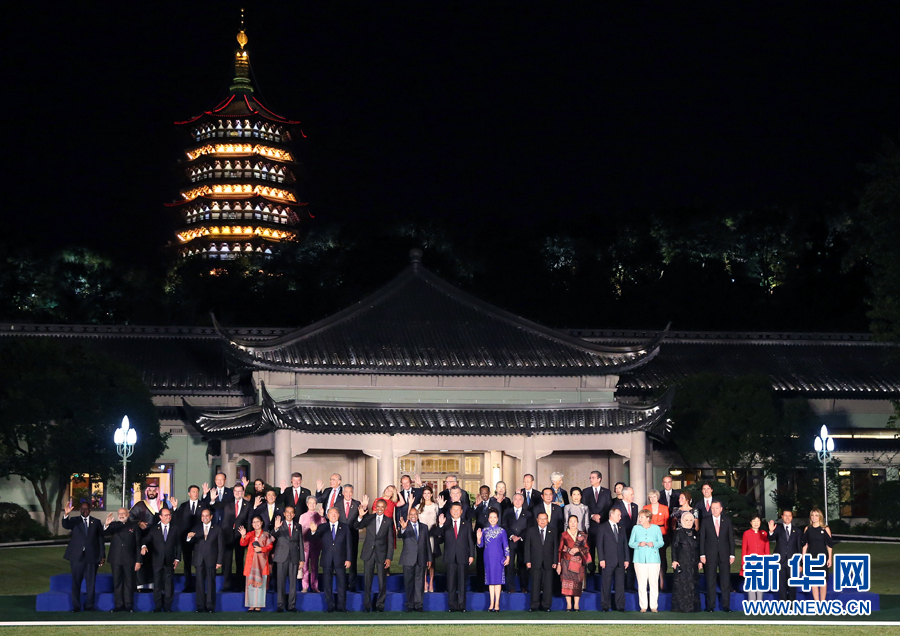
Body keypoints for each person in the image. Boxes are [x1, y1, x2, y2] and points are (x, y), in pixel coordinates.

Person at [62, 500, 105, 612]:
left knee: (91, 583)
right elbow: (65, 525)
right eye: (82, 509)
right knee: (76, 582)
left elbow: (100, 540)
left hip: (92, 557)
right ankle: (76, 606)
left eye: (86, 509)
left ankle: (89, 606)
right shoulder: (74, 521)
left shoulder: (96, 522)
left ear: (90, 510)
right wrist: (66, 514)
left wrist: (102, 556)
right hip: (77, 557)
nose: (84, 511)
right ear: (80, 510)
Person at [431, 502, 475, 612]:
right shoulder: (446, 523)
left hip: (463, 556)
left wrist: (471, 555)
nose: (455, 512)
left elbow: (471, 540)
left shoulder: (467, 524)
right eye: (453, 509)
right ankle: (452, 606)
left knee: (462, 583)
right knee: (450, 583)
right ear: (450, 511)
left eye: (458, 510)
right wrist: (440, 525)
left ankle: (461, 606)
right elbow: (439, 539)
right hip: (450, 556)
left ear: (461, 511)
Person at [309, 507, 353, 612]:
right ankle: (330, 606)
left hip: (341, 559)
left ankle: (341, 607)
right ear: (327, 516)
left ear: (338, 515)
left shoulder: (345, 527)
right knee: (327, 584)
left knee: (342, 584)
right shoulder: (322, 527)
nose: (333, 515)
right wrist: (313, 531)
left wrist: (348, 559)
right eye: (331, 513)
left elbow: (349, 545)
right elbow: (315, 539)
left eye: (335, 513)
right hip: (327, 559)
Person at [103, 508, 146, 613]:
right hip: (116, 558)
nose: (121, 515)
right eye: (119, 513)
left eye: (123, 513)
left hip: (129, 559)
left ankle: (128, 606)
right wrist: (106, 525)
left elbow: (138, 544)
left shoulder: (134, 526)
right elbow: (105, 533)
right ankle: (118, 605)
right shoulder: (113, 525)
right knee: (117, 582)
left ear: (128, 514)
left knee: (129, 583)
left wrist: (138, 561)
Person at [139, 506, 181, 613]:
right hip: (157, 561)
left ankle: (167, 607)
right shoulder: (154, 529)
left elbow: (178, 544)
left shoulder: (175, 528)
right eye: (166, 515)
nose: (168, 517)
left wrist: (177, 558)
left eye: (169, 515)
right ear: (160, 517)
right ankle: (157, 606)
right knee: (157, 584)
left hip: (170, 561)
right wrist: (143, 546)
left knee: (168, 585)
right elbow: (145, 539)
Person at [357, 498, 395, 612]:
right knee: (367, 580)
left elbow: (390, 541)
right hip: (368, 553)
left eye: (382, 507)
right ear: (375, 507)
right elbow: (357, 526)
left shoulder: (388, 521)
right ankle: (367, 605)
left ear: (385, 508)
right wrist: (360, 517)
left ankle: (380, 605)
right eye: (378, 507)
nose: (379, 509)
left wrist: (389, 558)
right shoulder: (369, 518)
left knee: (382, 581)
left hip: (381, 555)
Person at [699, 500, 734, 612]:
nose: (714, 510)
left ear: (721, 509)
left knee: (725, 580)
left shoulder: (727, 521)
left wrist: (732, 554)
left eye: (717, 508)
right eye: (712, 508)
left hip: (724, 554)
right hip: (710, 555)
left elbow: (731, 539)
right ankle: (710, 606)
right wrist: (702, 554)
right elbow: (702, 539)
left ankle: (726, 606)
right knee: (710, 580)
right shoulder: (705, 521)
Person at [187, 508, 224, 613]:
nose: (205, 517)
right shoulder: (196, 528)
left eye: (206, 515)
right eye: (203, 516)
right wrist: (189, 537)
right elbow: (190, 543)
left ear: (211, 516)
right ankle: (200, 606)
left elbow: (221, 546)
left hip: (212, 560)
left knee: (211, 584)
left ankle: (210, 607)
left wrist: (219, 561)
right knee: (199, 583)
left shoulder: (217, 528)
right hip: (199, 560)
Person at [398, 507, 432, 612]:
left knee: (419, 583)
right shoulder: (405, 526)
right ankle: (409, 605)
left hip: (421, 559)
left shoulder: (424, 527)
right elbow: (400, 535)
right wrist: (402, 529)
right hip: (408, 559)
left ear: (418, 515)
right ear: (408, 516)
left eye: (415, 514)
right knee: (409, 583)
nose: (413, 516)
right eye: (411, 514)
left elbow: (427, 544)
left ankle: (418, 605)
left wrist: (429, 558)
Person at [629, 509, 663, 613]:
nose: (640, 519)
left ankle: (653, 606)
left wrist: (654, 544)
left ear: (648, 518)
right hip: (639, 560)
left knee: (653, 583)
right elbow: (631, 543)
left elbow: (661, 542)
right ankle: (643, 606)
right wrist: (639, 544)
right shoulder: (635, 528)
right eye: (639, 517)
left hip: (653, 559)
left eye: (642, 517)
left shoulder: (656, 528)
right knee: (642, 584)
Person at [272, 505, 304, 612]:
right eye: (287, 512)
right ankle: (280, 605)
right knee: (280, 582)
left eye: (292, 512)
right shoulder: (279, 524)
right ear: (284, 514)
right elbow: (272, 536)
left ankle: (291, 606)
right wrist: (276, 528)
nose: (289, 514)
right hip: (281, 556)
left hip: (294, 557)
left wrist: (302, 559)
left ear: (294, 514)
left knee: (293, 582)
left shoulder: (298, 526)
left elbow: (301, 543)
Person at [477, 508, 510, 612]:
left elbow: (505, 544)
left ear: (498, 518)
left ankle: (497, 603)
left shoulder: (502, 531)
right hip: (488, 557)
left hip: (499, 557)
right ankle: (491, 603)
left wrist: (508, 556)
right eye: (491, 517)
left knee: (498, 581)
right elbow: (480, 545)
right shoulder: (484, 530)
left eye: (494, 517)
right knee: (490, 581)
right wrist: (478, 538)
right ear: (488, 518)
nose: (492, 519)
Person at [239, 515, 274, 611]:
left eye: (258, 521)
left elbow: (270, 547)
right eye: (254, 522)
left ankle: (258, 605)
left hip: (262, 564)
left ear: (262, 522)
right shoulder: (250, 534)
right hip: (251, 564)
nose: (256, 524)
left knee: (260, 585)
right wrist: (243, 535)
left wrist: (261, 549)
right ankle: (251, 605)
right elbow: (242, 543)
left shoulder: (267, 534)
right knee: (250, 585)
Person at [597, 507, 629, 612]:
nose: (620, 517)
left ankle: (620, 606)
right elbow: (600, 545)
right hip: (607, 560)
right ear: (612, 515)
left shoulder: (621, 528)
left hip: (620, 561)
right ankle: (605, 606)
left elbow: (625, 545)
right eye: (618, 515)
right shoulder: (602, 527)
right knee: (606, 584)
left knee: (620, 584)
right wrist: (601, 559)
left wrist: (626, 559)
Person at [524, 511, 558, 612]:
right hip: (535, 562)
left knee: (548, 585)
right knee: (535, 584)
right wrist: (527, 560)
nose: (543, 521)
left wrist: (555, 561)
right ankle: (534, 605)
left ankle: (546, 605)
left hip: (549, 562)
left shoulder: (553, 531)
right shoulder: (531, 531)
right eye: (540, 519)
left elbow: (555, 547)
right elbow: (527, 547)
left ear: (548, 520)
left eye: (545, 519)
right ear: (537, 520)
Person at [222, 482, 251, 591]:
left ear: (243, 492)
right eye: (236, 491)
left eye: (240, 491)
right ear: (233, 492)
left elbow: (248, 521)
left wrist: (246, 535)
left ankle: (240, 585)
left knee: (240, 560)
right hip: (227, 535)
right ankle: (227, 585)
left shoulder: (247, 505)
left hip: (241, 536)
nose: (238, 493)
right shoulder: (227, 503)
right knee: (227, 561)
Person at [558, 514, 590, 611]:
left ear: (577, 523)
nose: (572, 523)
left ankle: (576, 604)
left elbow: (587, 548)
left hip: (578, 563)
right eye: (570, 521)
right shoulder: (564, 534)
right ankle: (568, 605)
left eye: (574, 521)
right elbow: (560, 549)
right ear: (568, 523)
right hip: (566, 561)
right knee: (566, 583)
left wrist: (578, 549)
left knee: (577, 583)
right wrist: (558, 563)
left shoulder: (582, 535)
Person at [176, 485, 205, 592]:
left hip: (200, 539)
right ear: (189, 493)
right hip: (186, 539)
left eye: (197, 492)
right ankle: (188, 585)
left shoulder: (203, 505)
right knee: (187, 563)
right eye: (193, 491)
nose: (196, 493)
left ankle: (200, 585)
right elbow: (178, 521)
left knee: (199, 563)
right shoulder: (183, 506)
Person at [768, 509, 802, 601]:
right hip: (780, 561)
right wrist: (771, 531)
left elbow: (799, 547)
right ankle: (783, 603)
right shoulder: (778, 528)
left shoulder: (797, 531)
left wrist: (800, 563)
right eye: (785, 515)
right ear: (782, 516)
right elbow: (771, 538)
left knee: (792, 584)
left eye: (789, 515)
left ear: (792, 517)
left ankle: (792, 603)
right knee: (781, 584)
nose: (787, 517)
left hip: (793, 561)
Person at [671, 511, 701, 612]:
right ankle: (681, 607)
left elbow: (698, 548)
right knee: (681, 584)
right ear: (682, 521)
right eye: (686, 520)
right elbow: (674, 548)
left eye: (691, 520)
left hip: (693, 563)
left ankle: (692, 607)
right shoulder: (678, 533)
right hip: (682, 562)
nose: (689, 522)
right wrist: (674, 560)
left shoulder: (696, 533)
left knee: (693, 584)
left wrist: (699, 561)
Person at [801, 507, 833, 602]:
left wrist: (830, 558)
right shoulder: (808, 529)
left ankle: (822, 601)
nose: (814, 517)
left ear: (820, 517)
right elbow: (804, 545)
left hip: (822, 557)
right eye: (812, 515)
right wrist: (803, 557)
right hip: (811, 558)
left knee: (823, 581)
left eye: (816, 515)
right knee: (813, 580)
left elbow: (829, 545)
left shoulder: (825, 528)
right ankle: (816, 602)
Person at [501, 493, 531, 593]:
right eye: (516, 499)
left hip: (523, 542)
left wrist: (520, 536)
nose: (518, 501)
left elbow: (529, 528)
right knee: (509, 565)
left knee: (522, 564)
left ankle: (524, 587)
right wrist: (512, 535)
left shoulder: (528, 513)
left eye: (520, 499)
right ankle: (511, 587)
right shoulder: (507, 512)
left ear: (523, 502)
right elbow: (504, 525)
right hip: (510, 541)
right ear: (513, 501)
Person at [583, 470, 612, 573]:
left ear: (599, 479)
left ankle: (601, 569)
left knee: (602, 548)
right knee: (590, 548)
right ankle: (591, 569)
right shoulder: (586, 491)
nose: (591, 479)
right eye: (590, 477)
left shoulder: (607, 492)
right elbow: (584, 506)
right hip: (590, 525)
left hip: (602, 523)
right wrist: (592, 516)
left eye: (593, 477)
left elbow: (609, 507)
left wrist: (600, 516)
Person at [335, 484, 361, 591]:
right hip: (340, 537)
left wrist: (361, 516)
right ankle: (341, 585)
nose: (348, 494)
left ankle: (352, 585)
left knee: (352, 560)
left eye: (350, 492)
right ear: (343, 493)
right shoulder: (337, 504)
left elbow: (361, 522)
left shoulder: (357, 504)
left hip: (353, 536)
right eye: (346, 492)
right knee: (340, 560)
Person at [612, 486, 639, 590]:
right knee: (620, 562)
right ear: (624, 495)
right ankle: (619, 586)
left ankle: (630, 585)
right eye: (631, 494)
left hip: (632, 539)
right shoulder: (616, 506)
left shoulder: (635, 507)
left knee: (631, 561)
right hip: (620, 538)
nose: (633, 496)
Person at [643, 489, 669, 589]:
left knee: (662, 557)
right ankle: (652, 582)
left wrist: (667, 536)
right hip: (649, 535)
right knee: (650, 558)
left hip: (662, 535)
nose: (652, 499)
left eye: (654, 497)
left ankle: (662, 581)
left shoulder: (664, 508)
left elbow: (667, 524)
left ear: (658, 497)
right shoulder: (646, 508)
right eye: (651, 497)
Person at [416, 486, 441, 592]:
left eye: (428, 493)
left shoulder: (436, 506)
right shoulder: (418, 507)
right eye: (424, 493)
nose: (426, 495)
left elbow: (439, 520)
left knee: (431, 562)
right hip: (422, 537)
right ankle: (424, 582)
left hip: (432, 537)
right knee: (423, 561)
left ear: (431, 494)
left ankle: (431, 583)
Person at [741, 513, 770, 602]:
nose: (756, 523)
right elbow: (744, 549)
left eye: (758, 521)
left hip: (761, 563)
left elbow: (767, 549)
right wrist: (744, 564)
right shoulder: (746, 534)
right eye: (754, 521)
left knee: (760, 584)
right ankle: (752, 603)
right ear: (750, 522)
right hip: (750, 563)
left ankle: (759, 603)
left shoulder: (764, 533)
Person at [299, 495, 324, 593]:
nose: (312, 505)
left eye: (314, 503)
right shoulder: (302, 516)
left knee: (314, 566)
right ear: (307, 504)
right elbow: (299, 531)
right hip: (305, 545)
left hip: (315, 544)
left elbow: (323, 528)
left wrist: (322, 517)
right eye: (310, 503)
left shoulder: (319, 515)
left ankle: (314, 586)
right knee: (304, 566)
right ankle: (305, 586)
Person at [472, 485, 493, 593]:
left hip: (491, 538)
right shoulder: (477, 505)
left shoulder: (495, 503)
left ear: (489, 493)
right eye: (482, 493)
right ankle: (480, 585)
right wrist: (475, 505)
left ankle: (490, 585)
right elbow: (471, 515)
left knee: (490, 561)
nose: (484, 495)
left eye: (485, 493)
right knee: (480, 561)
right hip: (479, 537)